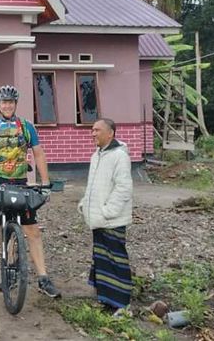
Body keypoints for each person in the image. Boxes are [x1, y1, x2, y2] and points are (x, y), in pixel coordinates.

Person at [0, 85, 61, 298]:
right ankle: (9, 273)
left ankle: (43, 278)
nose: (7, 105)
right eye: (4, 102)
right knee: (4, 225)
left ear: (15, 104)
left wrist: (45, 181)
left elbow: (38, 154)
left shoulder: (27, 127)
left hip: (20, 182)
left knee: (32, 230)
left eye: (11, 102)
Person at [78, 118, 133, 315]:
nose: (93, 133)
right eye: (92, 130)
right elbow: (93, 185)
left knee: (116, 260)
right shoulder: (97, 155)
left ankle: (121, 304)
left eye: (97, 130)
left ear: (110, 133)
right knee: (102, 258)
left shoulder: (119, 156)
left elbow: (124, 188)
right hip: (98, 218)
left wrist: (107, 211)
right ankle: (106, 299)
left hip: (112, 219)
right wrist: (85, 203)